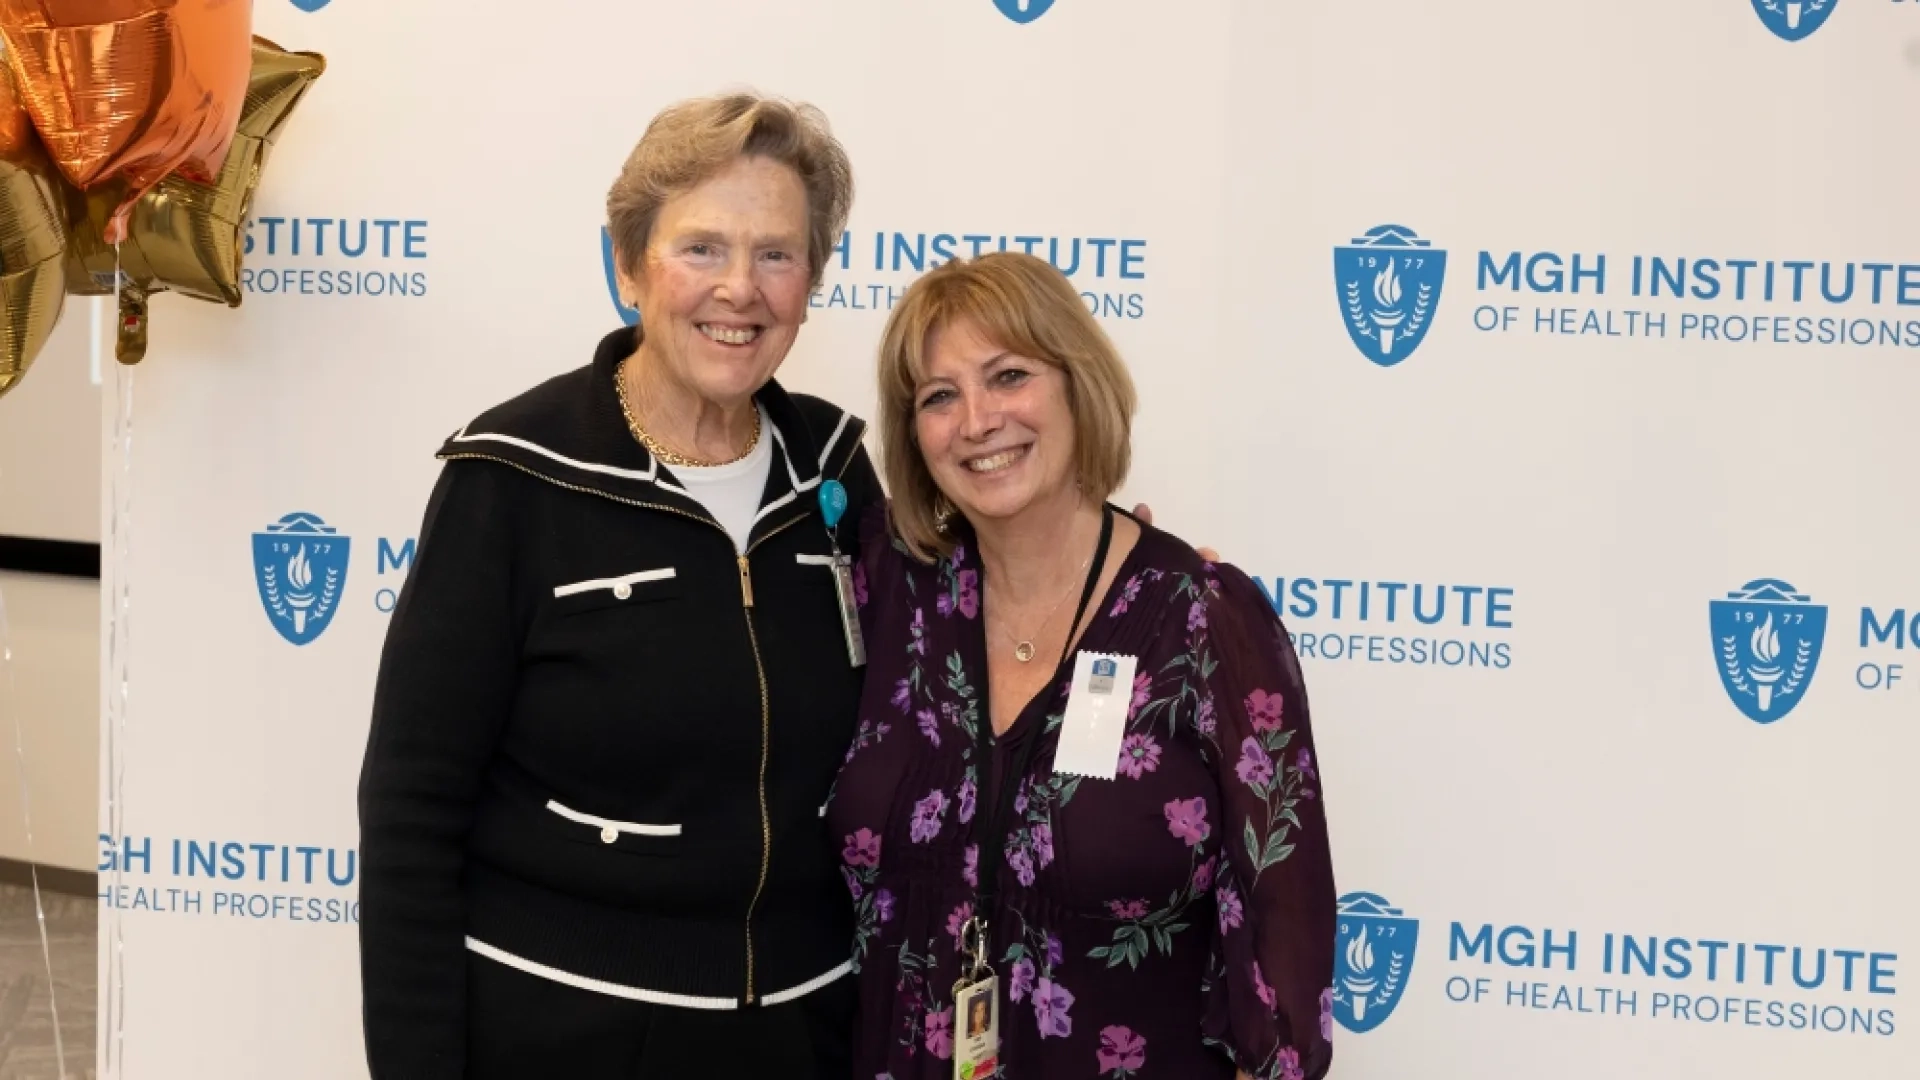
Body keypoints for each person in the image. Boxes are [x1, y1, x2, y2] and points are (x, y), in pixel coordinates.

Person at [355, 92, 879, 1078]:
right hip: (562, 1033)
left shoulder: (838, 470)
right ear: (630, 265)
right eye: (701, 250)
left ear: (813, 278)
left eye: (777, 253)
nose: (741, 289)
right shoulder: (510, 477)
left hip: (802, 1033)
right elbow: (410, 817)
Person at [827, 252, 1337, 1079]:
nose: (978, 420)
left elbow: (1285, 934)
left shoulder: (1202, 618)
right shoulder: (887, 587)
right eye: (939, 396)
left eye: (1009, 376)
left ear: (1078, 384)